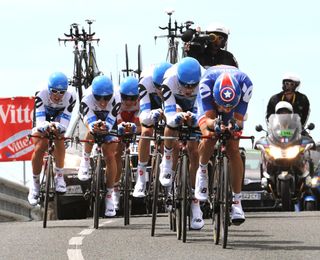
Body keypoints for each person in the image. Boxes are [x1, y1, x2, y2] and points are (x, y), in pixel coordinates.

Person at [195, 65, 253, 225]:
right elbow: (208, 120)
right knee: (208, 136)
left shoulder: (246, 85)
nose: (226, 109)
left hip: (233, 103)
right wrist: (215, 125)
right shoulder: (206, 85)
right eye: (224, 106)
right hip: (209, 107)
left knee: (233, 148)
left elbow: (239, 121)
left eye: (230, 106)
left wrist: (234, 125)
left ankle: (237, 202)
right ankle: (203, 171)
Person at [159, 57, 205, 230]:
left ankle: (195, 203)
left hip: (195, 106)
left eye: (192, 86)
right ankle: (168, 160)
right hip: (175, 105)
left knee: (194, 151)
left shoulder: (205, 80)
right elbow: (169, 112)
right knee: (172, 126)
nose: (188, 89)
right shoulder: (169, 79)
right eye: (185, 85)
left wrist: (194, 118)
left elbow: (203, 110)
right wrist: (177, 117)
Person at [28, 72, 76, 206]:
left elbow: (65, 122)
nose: (57, 95)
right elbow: (40, 121)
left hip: (59, 117)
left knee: (60, 138)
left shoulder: (71, 96)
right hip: (43, 116)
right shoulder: (41, 92)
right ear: (49, 89)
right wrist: (45, 127)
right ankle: (35, 184)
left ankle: (59, 176)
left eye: (61, 92)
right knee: (40, 145)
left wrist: (58, 127)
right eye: (54, 91)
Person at [78, 75, 122, 217]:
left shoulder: (117, 97)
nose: (103, 102)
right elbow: (89, 121)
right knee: (91, 132)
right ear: (93, 95)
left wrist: (106, 127)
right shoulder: (86, 98)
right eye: (99, 98)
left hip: (109, 118)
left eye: (107, 98)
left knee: (110, 154)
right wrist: (94, 126)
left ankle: (109, 195)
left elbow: (111, 121)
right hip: (91, 115)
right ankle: (85, 160)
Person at [132, 62, 173, 198]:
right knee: (146, 131)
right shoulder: (145, 82)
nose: (160, 91)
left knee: (173, 133)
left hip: (172, 99)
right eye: (157, 87)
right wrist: (151, 116)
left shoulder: (174, 80)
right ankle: (141, 177)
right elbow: (144, 115)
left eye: (163, 88)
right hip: (151, 103)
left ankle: (171, 173)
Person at [113, 76, 139, 210]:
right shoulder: (116, 97)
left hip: (134, 121)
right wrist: (121, 127)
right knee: (117, 152)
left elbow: (140, 120)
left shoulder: (141, 99)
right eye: (125, 98)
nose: (129, 102)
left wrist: (134, 125)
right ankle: (115, 188)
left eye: (133, 98)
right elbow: (116, 118)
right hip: (119, 120)